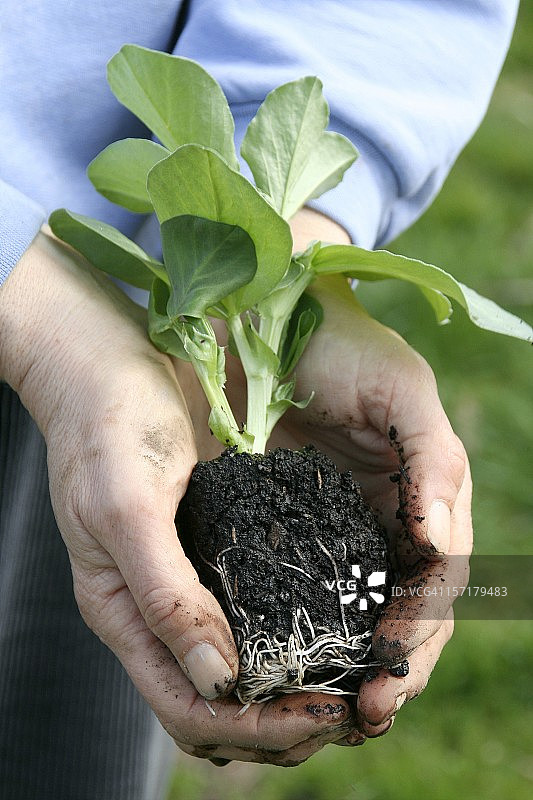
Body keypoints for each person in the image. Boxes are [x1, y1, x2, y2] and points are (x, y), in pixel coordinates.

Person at [0, 0, 518, 796]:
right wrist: (32, 298)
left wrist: (296, 240)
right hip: (68, 313)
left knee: (61, 734)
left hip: (119, 382)